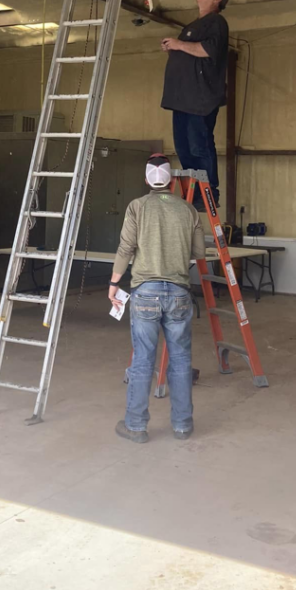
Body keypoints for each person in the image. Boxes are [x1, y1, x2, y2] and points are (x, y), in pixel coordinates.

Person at [108, 154, 206, 443]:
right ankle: (183, 425)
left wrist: (114, 283)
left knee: (143, 360)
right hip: (178, 293)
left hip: (145, 293)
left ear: (147, 178)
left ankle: (136, 427)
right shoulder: (188, 209)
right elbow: (199, 253)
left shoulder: (137, 207)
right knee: (180, 359)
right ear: (170, 180)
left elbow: (126, 248)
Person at [160, 0, 230, 208]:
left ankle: (210, 191)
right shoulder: (191, 27)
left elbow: (207, 50)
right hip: (182, 98)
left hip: (200, 99)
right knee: (183, 147)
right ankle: (195, 191)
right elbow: (190, 55)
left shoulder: (216, 22)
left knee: (199, 145)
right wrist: (174, 49)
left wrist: (178, 45)